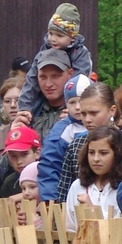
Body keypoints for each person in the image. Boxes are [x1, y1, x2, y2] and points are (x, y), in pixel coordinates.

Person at [55, 81, 122, 204]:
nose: (87, 120)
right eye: (83, 114)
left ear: (112, 110)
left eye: (94, 113)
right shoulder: (75, 147)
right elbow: (63, 196)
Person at [17, 3, 93, 115]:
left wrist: (72, 104)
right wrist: (24, 107)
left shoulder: (80, 53)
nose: (53, 39)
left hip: (71, 100)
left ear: (72, 37)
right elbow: (31, 80)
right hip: (46, 100)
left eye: (59, 36)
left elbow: (80, 79)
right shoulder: (44, 51)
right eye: (51, 34)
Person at [64, 126, 122, 232]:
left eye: (103, 153)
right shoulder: (77, 186)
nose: (96, 159)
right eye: (91, 152)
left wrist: (92, 210)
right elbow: (70, 227)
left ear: (117, 155)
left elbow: (121, 229)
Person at [35, 73, 89, 202]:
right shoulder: (61, 132)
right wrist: (50, 200)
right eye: (72, 102)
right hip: (70, 196)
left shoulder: (102, 123)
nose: (77, 107)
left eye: (82, 101)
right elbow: (49, 165)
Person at [13, 49, 75, 143]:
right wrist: (15, 137)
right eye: (43, 77)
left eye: (55, 76)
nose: (48, 84)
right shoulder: (27, 112)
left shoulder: (83, 114)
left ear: (70, 74)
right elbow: (11, 157)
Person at [0, 125, 41, 199]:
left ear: (37, 153)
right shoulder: (9, 183)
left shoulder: (49, 175)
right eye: (13, 156)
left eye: (24, 154)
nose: (19, 161)